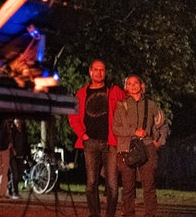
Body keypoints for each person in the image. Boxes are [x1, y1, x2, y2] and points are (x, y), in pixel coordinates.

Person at [68, 60, 126, 217]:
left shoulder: (114, 91)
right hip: (90, 142)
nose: (99, 73)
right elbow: (73, 117)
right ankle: (94, 214)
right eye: (96, 69)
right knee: (91, 183)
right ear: (90, 71)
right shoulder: (81, 93)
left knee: (112, 184)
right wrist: (83, 135)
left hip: (111, 142)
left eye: (102, 70)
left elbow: (129, 106)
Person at [113, 74, 168, 217]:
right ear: (126, 87)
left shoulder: (151, 105)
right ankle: (128, 213)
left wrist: (158, 141)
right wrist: (133, 132)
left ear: (141, 85)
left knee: (149, 184)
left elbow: (162, 124)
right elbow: (116, 128)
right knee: (128, 186)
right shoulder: (121, 105)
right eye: (129, 83)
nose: (133, 86)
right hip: (126, 148)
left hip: (147, 146)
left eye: (135, 83)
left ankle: (150, 214)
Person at [9, 119, 29, 199]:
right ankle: (15, 192)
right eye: (16, 122)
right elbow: (10, 142)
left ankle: (10, 187)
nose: (18, 123)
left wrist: (26, 154)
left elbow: (25, 144)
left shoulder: (23, 132)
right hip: (13, 156)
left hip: (20, 155)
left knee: (20, 174)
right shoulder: (12, 131)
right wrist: (13, 150)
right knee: (15, 174)